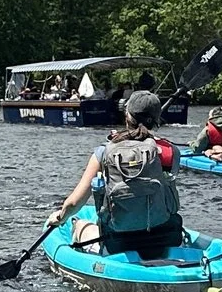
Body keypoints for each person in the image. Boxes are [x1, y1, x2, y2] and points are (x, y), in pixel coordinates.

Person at [48, 91, 183, 258]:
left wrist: (60, 217)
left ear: (127, 115)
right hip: (166, 238)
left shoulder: (105, 152)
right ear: (157, 119)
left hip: (118, 243)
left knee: (79, 223)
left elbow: (74, 203)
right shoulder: (172, 152)